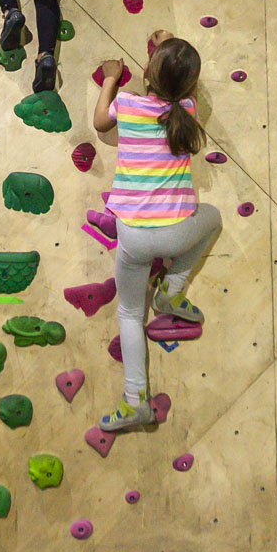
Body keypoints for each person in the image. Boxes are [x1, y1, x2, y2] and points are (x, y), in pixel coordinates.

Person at [92, 33, 222, 431]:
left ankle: (136, 402)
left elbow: (100, 125)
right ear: (191, 88)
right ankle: (172, 287)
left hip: (133, 236)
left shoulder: (128, 104)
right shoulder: (187, 107)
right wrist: (166, 45)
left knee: (129, 313)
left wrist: (111, 78)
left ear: (145, 71)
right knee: (213, 217)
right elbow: (172, 80)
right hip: (177, 232)